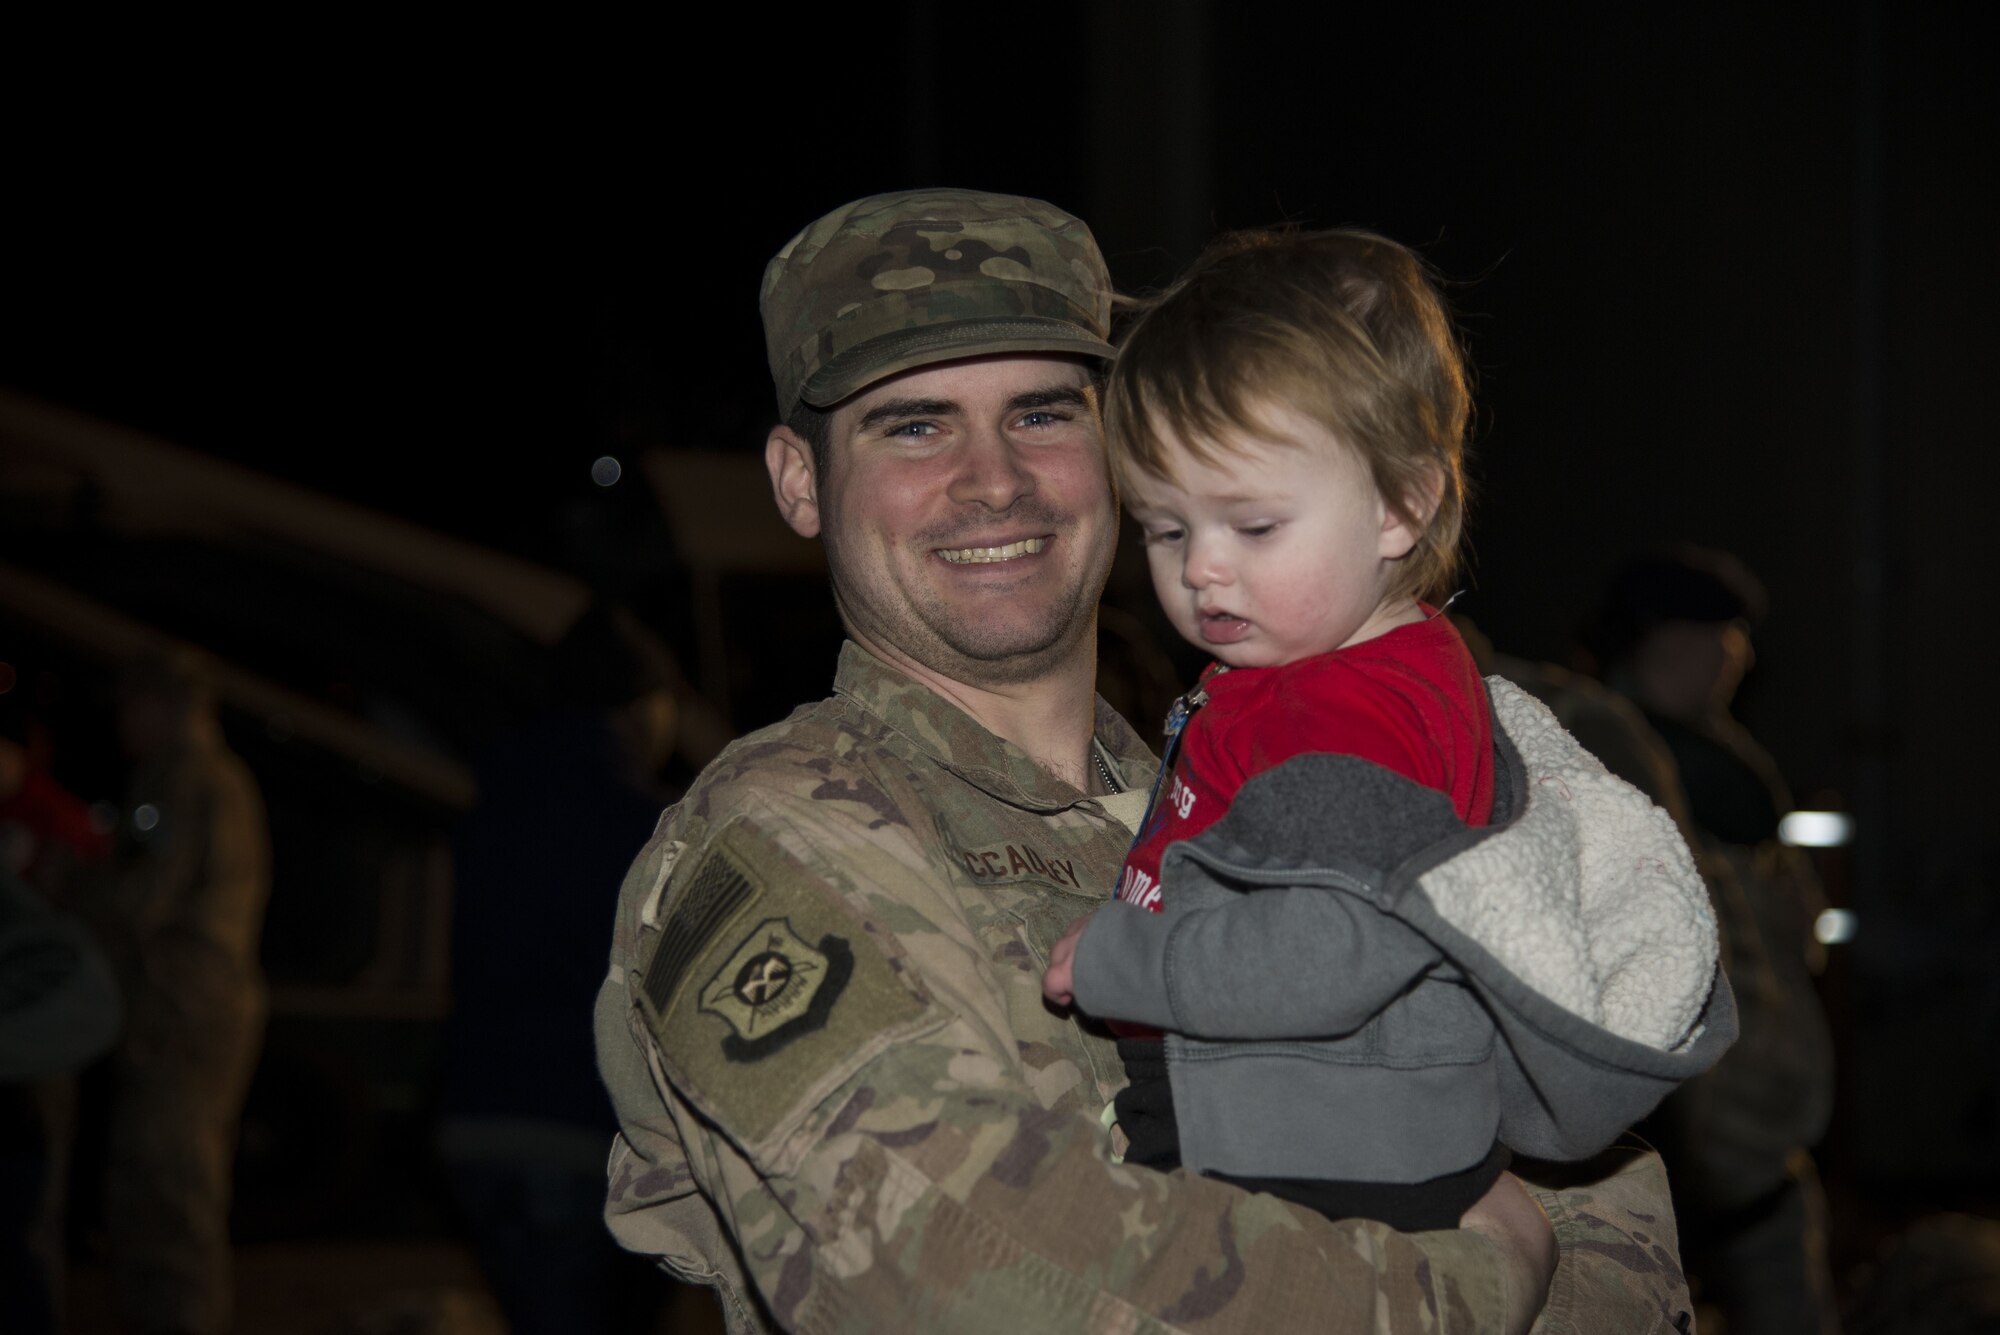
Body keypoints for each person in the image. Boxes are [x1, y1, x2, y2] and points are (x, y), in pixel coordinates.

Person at [594, 187, 1703, 1334]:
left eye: (1042, 414)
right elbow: (956, 1268)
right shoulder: (789, 833)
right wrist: (1465, 1295)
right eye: (915, 424)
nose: (994, 480)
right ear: (796, 481)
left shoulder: (1257, 768)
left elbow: (1599, 1171)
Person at [1038, 229, 1733, 1232]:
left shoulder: (1344, 713)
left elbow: (1333, 949)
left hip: (1303, 1162)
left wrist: (1119, 963)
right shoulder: (1323, 666)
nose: (1200, 570)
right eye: (1165, 529)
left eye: (1253, 525)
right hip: (1291, 1127)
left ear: (1401, 506)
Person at [1581, 546, 1840, 1335]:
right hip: (1672, 1148)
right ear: (1671, 639)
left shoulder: (1725, 763)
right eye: (1724, 636)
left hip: (1752, 1147)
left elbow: (1796, 935)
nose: (1741, 657)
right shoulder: (1605, 753)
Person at [84, 647, 271, 1335]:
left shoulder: (183, 778)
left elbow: (137, 896)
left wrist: (64, 899)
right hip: (193, 1004)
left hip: (180, 1008)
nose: (123, 722)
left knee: (167, 1191)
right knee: (163, 1184)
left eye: (132, 703)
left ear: (168, 705)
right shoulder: (214, 776)